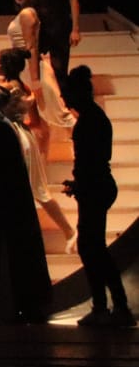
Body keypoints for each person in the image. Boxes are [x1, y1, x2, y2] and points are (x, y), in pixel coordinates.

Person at [62, 66, 136, 327]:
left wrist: (80, 184)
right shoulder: (95, 118)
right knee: (94, 248)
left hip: (94, 188)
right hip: (97, 186)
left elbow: (89, 162)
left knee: (93, 249)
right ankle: (112, 305)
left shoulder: (88, 122)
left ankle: (109, 306)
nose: (64, 99)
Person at [0, 86, 51, 323]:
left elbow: (3, 173)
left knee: (6, 259)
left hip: (3, 209)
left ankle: (11, 306)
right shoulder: (3, 130)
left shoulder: (0, 131)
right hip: (7, 206)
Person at [0, 48, 76, 251]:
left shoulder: (0, 90)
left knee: (14, 189)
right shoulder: (26, 88)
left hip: (9, 138)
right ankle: (68, 231)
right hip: (25, 137)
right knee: (38, 189)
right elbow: (35, 122)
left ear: (6, 65)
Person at [6, 0, 74, 150]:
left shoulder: (27, 14)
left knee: (61, 114)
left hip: (34, 69)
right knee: (39, 118)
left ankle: (88, 145)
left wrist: (35, 80)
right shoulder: (25, 13)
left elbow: (32, 48)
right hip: (25, 69)